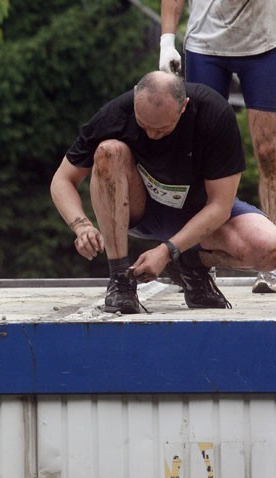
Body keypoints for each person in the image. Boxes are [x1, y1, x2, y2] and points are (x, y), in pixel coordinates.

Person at [50, 70, 276, 314]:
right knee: (109, 151)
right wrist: (81, 225)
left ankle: (190, 261)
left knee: (269, 249)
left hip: (200, 214)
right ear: (136, 95)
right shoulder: (115, 114)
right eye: (144, 125)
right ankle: (120, 278)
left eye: (162, 129)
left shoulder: (214, 114)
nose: (151, 135)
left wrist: (168, 251)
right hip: (141, 209)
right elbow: (62, 180)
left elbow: (220, 206)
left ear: (184, 107)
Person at [160, 0, 276, 293]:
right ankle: (198, 258)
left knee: (270, 152)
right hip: (206, 44)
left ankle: (272, 262)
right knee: (201, 153)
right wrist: (167, 40)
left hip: (264, 42)